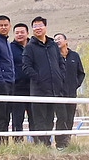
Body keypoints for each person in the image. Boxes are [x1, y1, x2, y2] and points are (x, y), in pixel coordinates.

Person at [21, 17, 66, 147]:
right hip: (39, 90)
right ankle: (42, 146)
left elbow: (60, 62)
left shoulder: (53, 45)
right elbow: (26, 67)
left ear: (45, 27)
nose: (38, 28)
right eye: (35, 26)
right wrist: (38, 78)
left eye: (40, 25)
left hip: (54, 90)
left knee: (50, 119)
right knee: (39, 120)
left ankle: (50, 144)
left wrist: (60, 76)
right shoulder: (30, 47)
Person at [54, 33, 85, 149]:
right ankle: (60, 144)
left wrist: (75, 85)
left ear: (66, 41)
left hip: (71, 93)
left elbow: (81, 73)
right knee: (62, 117)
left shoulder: (74, 56)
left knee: (70, 118)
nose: (57, 41)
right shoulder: (54, 57)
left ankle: (67, 142)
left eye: (59, 38)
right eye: (55, 39)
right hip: (59, 93)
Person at [8, 23, 33, 141]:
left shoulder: (33, 46)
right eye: (17, 33)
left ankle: (38, 143)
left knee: (35, 118)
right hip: (17, 88)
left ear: (27, 33)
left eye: (22, 32)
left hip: (33, 88)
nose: (19, 35)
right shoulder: (10, 48)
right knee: (17, 118)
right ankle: (18, 143)